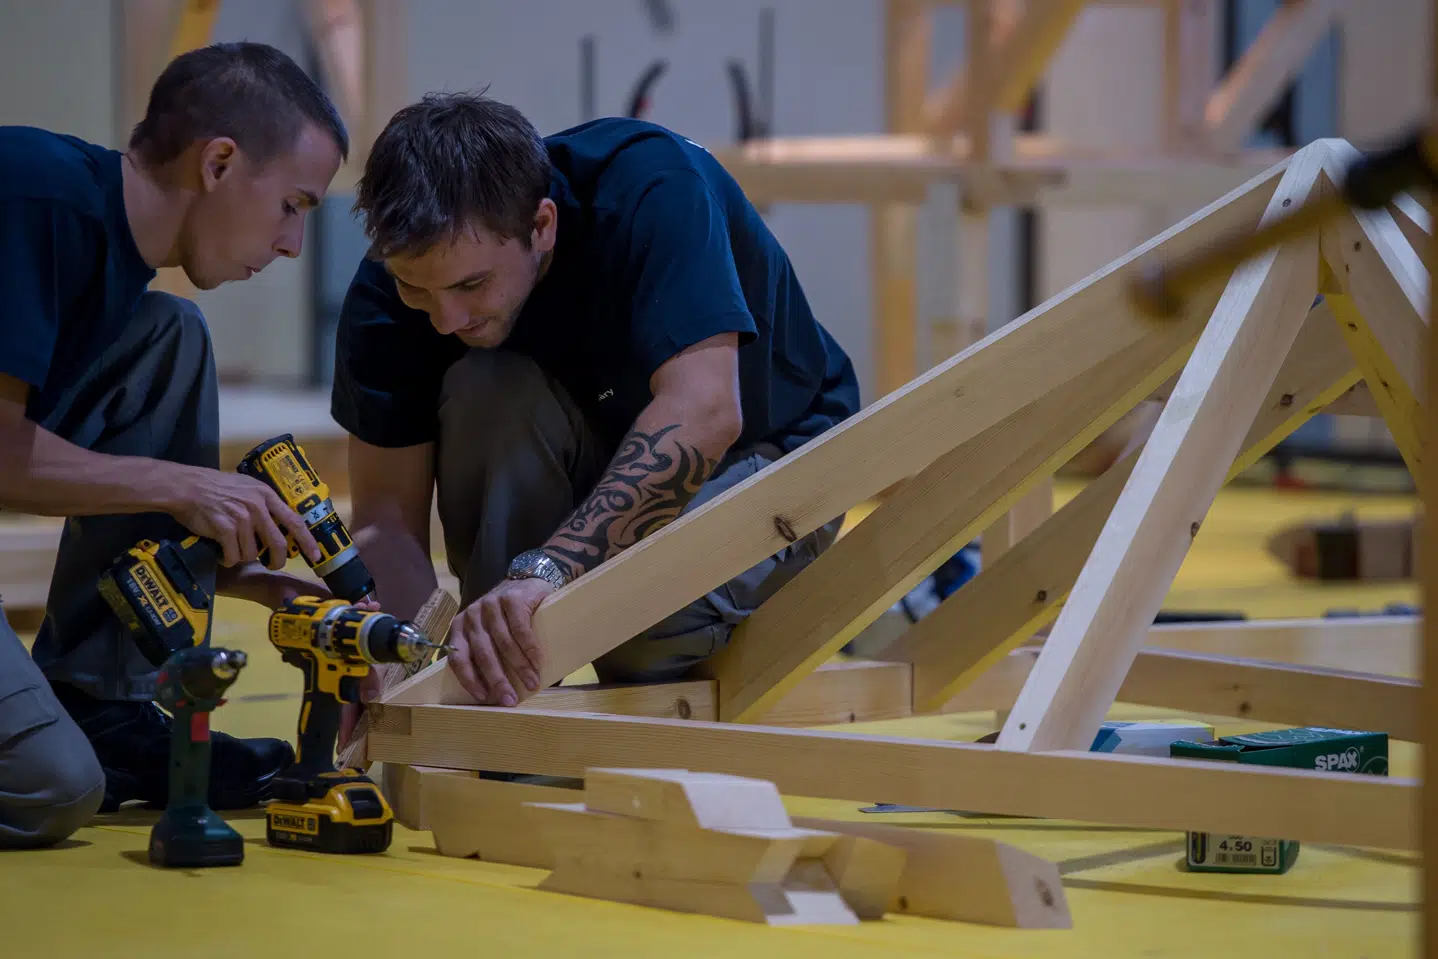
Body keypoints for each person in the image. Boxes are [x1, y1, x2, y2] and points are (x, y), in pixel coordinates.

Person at [332, 91, 860, 723]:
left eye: (472, 285)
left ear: (542, 225)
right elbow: (386, 521)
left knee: (625, 632)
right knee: (483, 385)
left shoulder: (653, 188)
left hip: (775, 451)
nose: (446, 318)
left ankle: (552, 639)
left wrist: (550, 571)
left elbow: (706, 415)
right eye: (415, 287)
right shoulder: (385, 293)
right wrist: (395, 664)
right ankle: (504, 678)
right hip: (607, 443)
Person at [0, 41, 348, 848]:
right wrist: (186, 487)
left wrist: (234, 572)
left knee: (170, 335)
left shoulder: (112, 261)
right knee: (53, 787)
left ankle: (106, 701)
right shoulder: (34, 196)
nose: (293, 244)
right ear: (219, 163)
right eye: (293, 205)